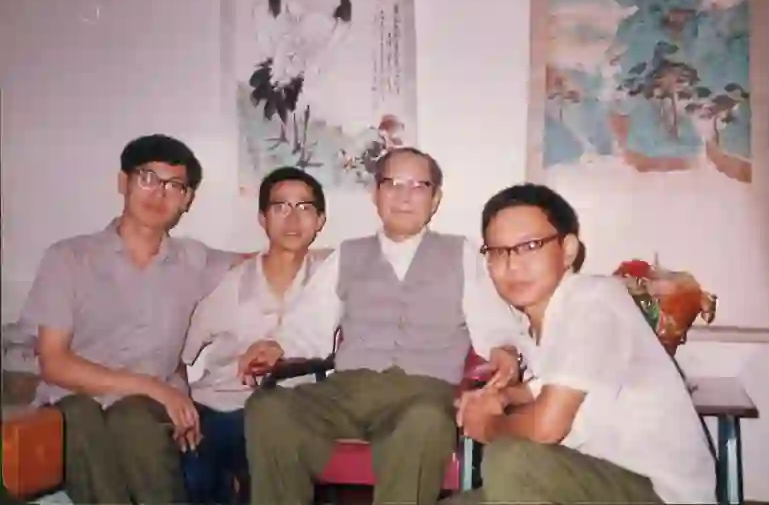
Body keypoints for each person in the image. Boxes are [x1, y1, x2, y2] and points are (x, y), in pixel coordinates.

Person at [241, 147, 528, 505]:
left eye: (418, 186)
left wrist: (505, 350)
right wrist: (275, 347)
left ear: (435, 199)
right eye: (393, 184)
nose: (404, 196)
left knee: (425, 421)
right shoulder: (348, 254)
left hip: (423, 392)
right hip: (345, 391)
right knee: (268, 407)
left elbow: (494, 322)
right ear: (375, 194)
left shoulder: (462, 253)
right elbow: (308, 324)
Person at [446, 183, 717, 504]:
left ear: (569, 250)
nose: (512, 264)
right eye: (497, 251)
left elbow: (547, 426)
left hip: (658, 492)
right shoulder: (539, 322)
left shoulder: (592, 300)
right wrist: (498, 396)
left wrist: (488, 425)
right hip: (594, 477)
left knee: (511, 458)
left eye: (530, 246)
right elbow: (545, 386)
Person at [19, 134, 250, 505]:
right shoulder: (69, 257)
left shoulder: (193, 260)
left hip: (147, 411)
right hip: (76, 398)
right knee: (78, 415)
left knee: (134, 420)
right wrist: (153, 386)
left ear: (187, 199)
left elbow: (267, 261)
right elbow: (54, 362)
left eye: (174, 185)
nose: (159, 193)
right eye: (148, 178)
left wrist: (342, 255)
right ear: (122, 182)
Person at [180, 167, 332, 504]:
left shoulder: (332, 277)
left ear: (320, 220)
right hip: (223, 406)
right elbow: (182, 352)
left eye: (304, 207)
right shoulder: (229, 282)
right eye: (280, 207)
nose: (293, 218)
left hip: (292, 412)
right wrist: (179, 402)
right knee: (193, 472)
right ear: (263, 218)